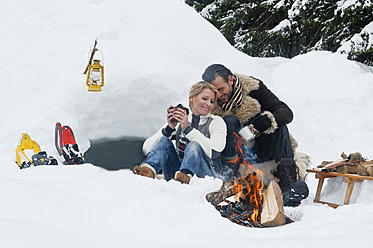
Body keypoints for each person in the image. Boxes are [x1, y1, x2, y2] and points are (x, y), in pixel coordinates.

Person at [202, 64, 308, 206]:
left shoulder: (253, 88)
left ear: (231, 80)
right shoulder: (209, 102)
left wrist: (265, 121)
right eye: (215, 91)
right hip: (234, 156)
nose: (219, 95)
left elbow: (285, 112)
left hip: (261, 147)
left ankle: (289, 184)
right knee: (229, 121)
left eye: (221, 89)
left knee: (278, 124)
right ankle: (231, 181)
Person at [133, 81, 227, 184]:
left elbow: (215, 152)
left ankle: (185, 176)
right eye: (204, 99)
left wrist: (188, 129)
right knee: (164, 141)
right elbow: (146, 148)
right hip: (176, 175)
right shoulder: (182, 118)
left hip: (205, 177)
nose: (208, 104)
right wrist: (169, 128)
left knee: (194, 145)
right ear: (192, 97)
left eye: (212, 101)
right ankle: (145, 173)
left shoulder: (216, 122)